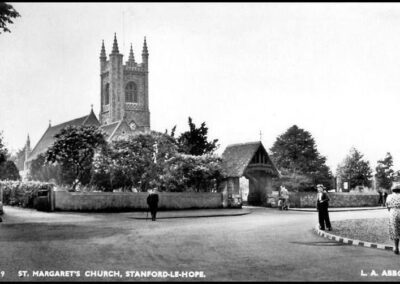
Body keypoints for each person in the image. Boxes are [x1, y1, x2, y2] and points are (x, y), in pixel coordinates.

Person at [386, 183, 400, 254]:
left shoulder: (389, 196)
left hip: (393, 212)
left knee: (395, 230)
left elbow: (387, 206)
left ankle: (396, 248)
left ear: (393, 190)